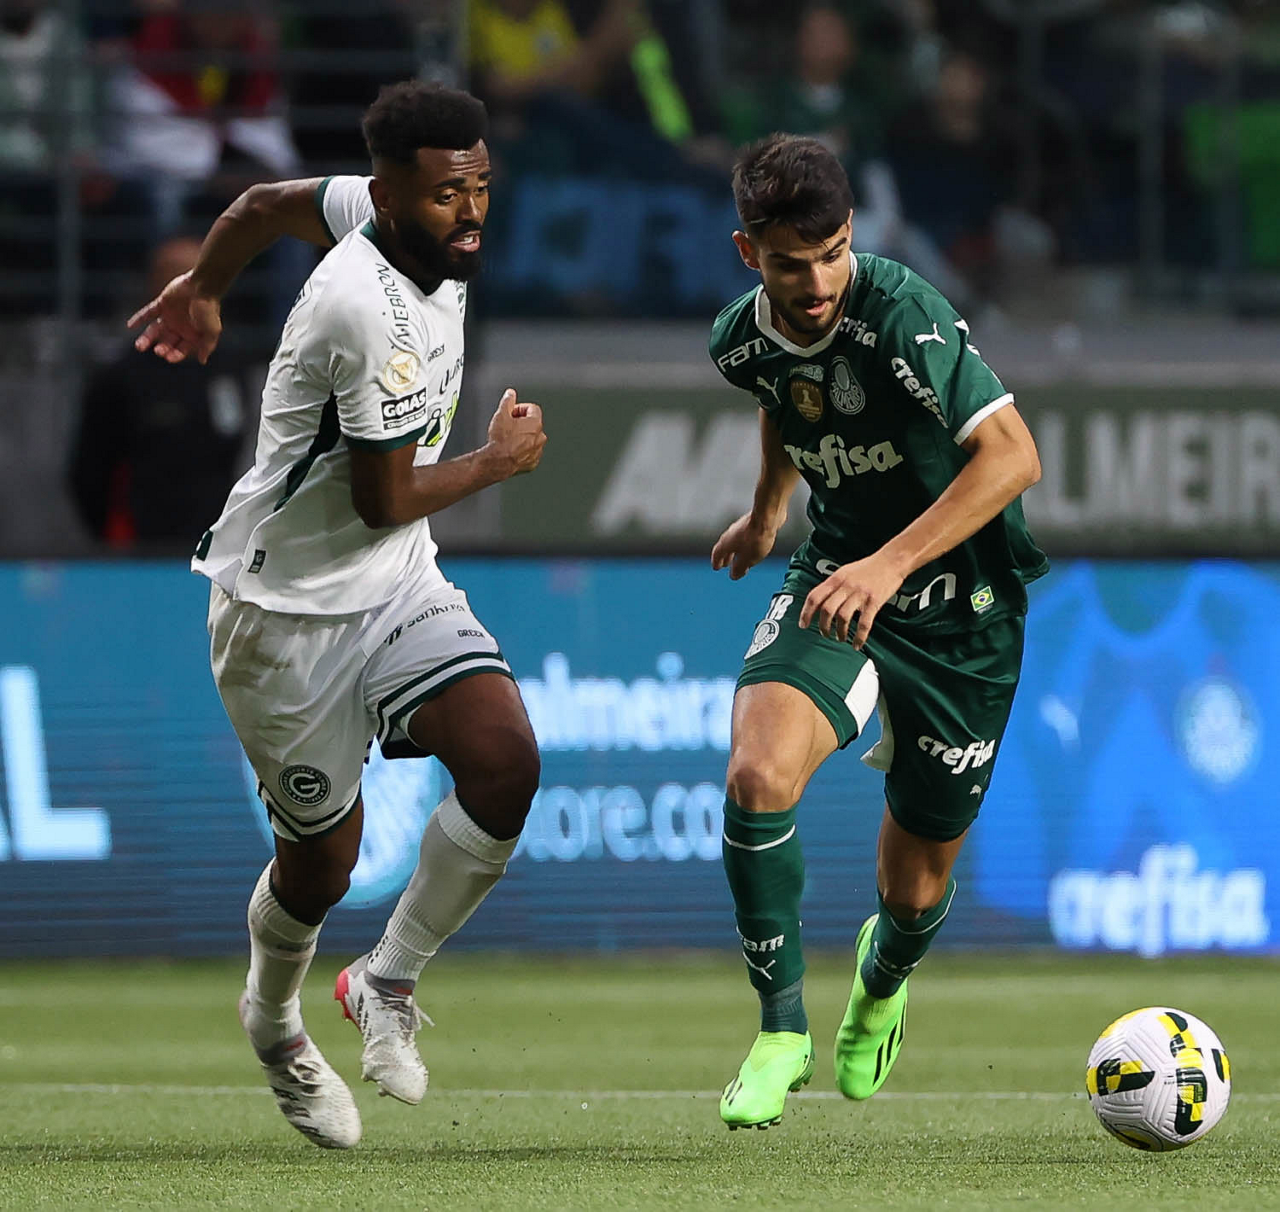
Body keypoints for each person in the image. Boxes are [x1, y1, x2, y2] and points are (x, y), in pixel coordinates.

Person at [129, 81, 547, 1149]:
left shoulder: (379, 212)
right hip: (285, 618)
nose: (472, 213)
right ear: (393, 195)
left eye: (480, 187)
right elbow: (382, 497)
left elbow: (262, 204)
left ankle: (386, 981)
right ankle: (274, 1025)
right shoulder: (363, 309)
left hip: (396, 584)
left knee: (504, 761)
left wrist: (203, 288)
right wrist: (494, 463)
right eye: (448, 195)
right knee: (322, 867)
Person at [707, 134, 1046, 1130]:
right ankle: (779, 1031)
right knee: (756, 776)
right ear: (747, 253)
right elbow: (783, 398)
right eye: (789, 264)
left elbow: (1012, 458)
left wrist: (890, 564)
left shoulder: (902, 315)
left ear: (852, 232)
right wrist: (767, 510)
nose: (815, 284)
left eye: (831, 255)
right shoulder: (738, 341)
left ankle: (883, 976)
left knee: (914, 886)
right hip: (837, 583)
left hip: (963, 614)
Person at [68, 236, 254, 550]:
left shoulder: (229, 367)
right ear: (158, 289)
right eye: (184, 278)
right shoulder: (121, 377)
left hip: (214, 546)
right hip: (141, 547)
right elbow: (89, 473)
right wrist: (116, 541)